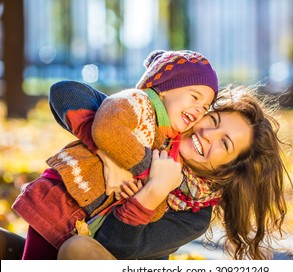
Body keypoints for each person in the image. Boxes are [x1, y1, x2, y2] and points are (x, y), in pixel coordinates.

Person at [12, 50, 219, 259]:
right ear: (165, 88)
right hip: (61, 200)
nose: (199, 109)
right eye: (194, 97)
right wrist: (138, 169)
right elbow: (106, 128)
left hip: (85, 222)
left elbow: (156, 208)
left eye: (205, 107)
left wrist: (141, 194)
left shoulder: (170, 146)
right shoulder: (138, 104)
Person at [51, 83, 293, 260]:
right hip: (54, 236)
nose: (207, 135)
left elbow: (115, 251)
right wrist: (111, 151)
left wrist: (153, 191)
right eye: (214, 121)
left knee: (77, 250)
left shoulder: (193, 215)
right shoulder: (150, 131)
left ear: (228, 171)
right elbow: (65, 92)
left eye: (224, 143)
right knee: (13, 245)